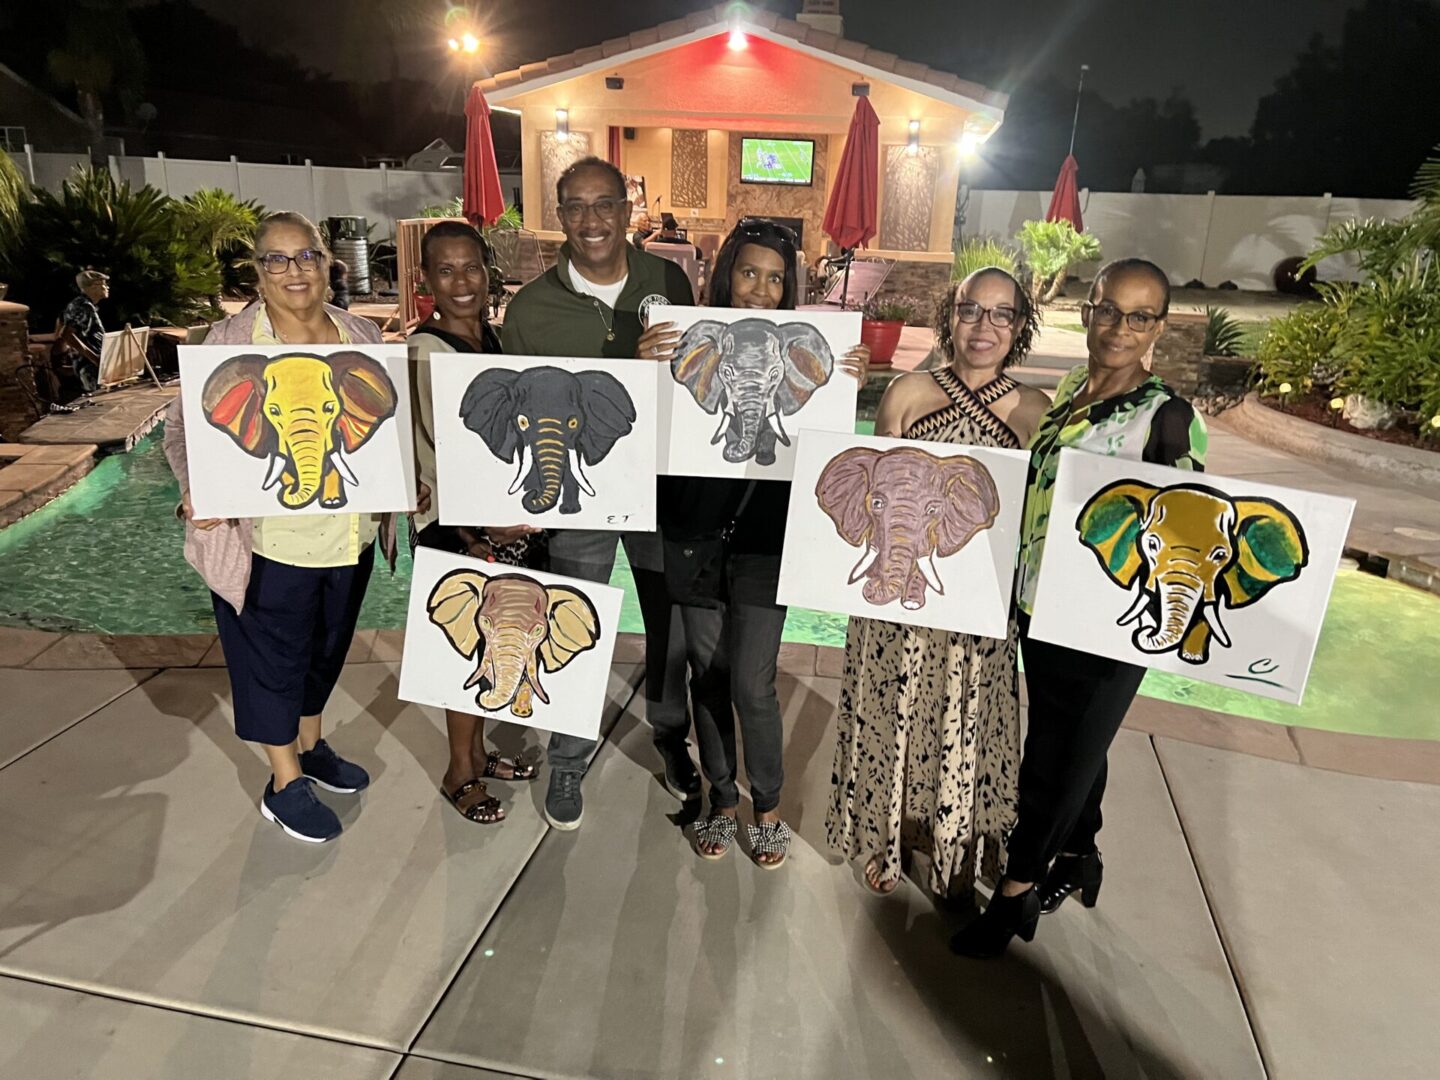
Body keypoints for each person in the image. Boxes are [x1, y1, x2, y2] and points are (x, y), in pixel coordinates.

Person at [952, 258, 1208, 957]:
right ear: (1087, 310)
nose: (1118, 328)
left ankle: (1015, 895)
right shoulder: (1069, 391)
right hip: (1043, 607)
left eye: (1138, 315)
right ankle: (1080, 855)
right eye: (1106, 309)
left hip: (1112, 627)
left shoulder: (1168, 416)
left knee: (1053, 758)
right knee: (1075, 749)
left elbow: (1190, 523)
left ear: (1159, 325)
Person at [163, 210, 409, 844]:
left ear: (327, 263)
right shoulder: (228, 343)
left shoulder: (359, 333)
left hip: (345, 535)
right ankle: (282, 782)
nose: (293, 271)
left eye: (306, 257)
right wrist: (197, 490)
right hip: (267, 542)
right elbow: (181, 430)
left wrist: (403, 483)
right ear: (258, 270)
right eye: (277, 259)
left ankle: (311, 746)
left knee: (325, 649)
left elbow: (378, 434)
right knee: (272, 658)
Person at [639, 219, 869, 868]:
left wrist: (851, 378)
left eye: (775, 279)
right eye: (748, 274)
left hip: (769, 541)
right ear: (725, 275)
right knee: (705, 676)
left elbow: (834, 451)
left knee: (752, 684)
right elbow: (644, 434)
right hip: (693, 534)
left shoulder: (813, 349)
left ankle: (767, 802)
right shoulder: (680, 341)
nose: (760, 291)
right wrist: (642, 373)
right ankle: (722, 799)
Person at [826, 269, 1050, 899]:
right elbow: (874, 500)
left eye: (1002, 314)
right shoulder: (907, 392)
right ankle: (888, 835)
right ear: (949, 316)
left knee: (966, 717)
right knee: (894, 711)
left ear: (1020, 325)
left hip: (978, 609)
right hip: (896, 599)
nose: (984, 327)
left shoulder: (1035, 411)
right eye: (971, 310)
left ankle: (954, 843)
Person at [501, 155, 696, 831]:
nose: (591, 221)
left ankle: (672, 741)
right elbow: (518, 405)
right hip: (580, 496)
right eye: (576, 207)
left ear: (627, 209)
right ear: (561, 217)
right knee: (574, 619)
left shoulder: (668, 281)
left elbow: (702, 376)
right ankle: (566, 759)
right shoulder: (530, 308)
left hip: (662, 488)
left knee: (670, 630)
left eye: (604, 204)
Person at [409, 221, 544, 826]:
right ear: (425, 279)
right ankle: (458, 770)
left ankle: (480, 753)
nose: (461, 282)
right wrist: (488, 522)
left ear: (488, 273)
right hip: (459, 528)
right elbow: (441, 448)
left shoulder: (493, 340)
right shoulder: (425, 350)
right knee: (465, 650)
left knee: (490, 645)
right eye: (446, 270)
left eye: (472, 268)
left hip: (502, 524)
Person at [57, 269, 109, 393]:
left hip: (94, 365)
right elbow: (67, 335)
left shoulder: (86, 305)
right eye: (103, 284)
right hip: (89, 367)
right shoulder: (82, 306)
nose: (107, 287)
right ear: (93, 287)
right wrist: (94, 358)